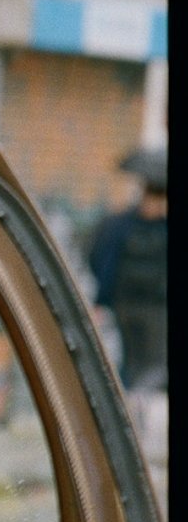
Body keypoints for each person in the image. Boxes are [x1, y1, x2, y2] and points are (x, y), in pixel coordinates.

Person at [87, 146, 167, 392]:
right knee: (145, 364)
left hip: (141, 306)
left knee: (140, 365)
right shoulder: (120, 225)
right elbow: (101, 261)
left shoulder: (118, 224)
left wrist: (103, 298)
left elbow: (98, 258)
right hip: (144, 308)